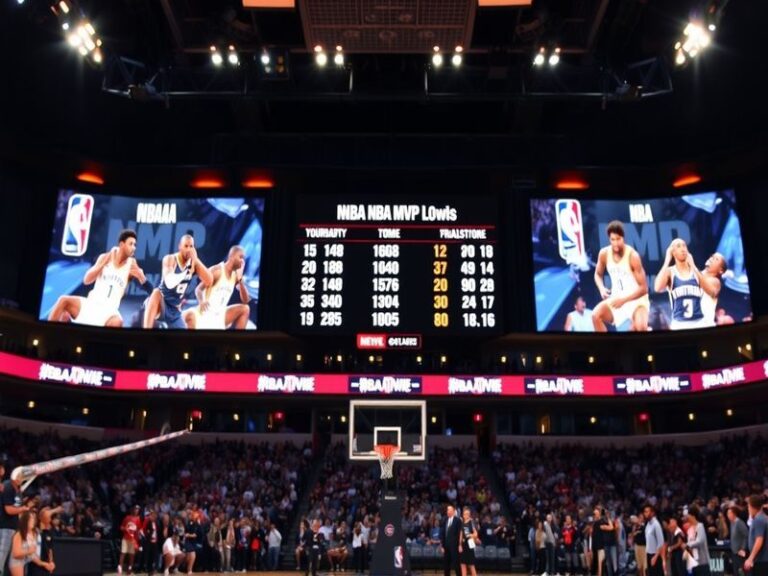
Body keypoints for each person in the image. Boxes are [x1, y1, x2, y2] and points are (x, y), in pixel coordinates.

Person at [48, 229, 149, 327]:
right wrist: (102, 264)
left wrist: (141, 275)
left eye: (135, 245)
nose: (134, 248)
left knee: (118, 322)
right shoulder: (104, 257)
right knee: (63, 300)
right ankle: (49, 335)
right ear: (122, 244)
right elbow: (86, 280)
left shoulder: (132, 264)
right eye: (131, 244)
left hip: (109, 311)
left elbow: (145, 285)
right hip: (91, 304)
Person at [143, 234, 213, 329]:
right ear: (179, 246)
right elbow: (169, 282)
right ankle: (145, 335)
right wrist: (187, 272)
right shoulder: (170, 259)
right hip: (161, 303)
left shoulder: (193, 263)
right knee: (156, 292)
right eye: (186, 246)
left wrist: (196, 260)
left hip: (175, 310)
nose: (189, 249)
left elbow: (209, 280)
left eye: (191, 246)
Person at [592, 221, 649, 332]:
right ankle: (606, 349)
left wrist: (623, 301)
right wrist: (602, 288)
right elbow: (598, 274)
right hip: (617, 299)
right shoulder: (604, 253)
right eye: (613, 239)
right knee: (595, 315)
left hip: (636, 301)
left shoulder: (633, 256)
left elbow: (644, 289)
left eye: (618, 239)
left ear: (623, 238)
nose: (616, 243)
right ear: (609, 239)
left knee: (641, 327)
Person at [183, 245, 251, 330]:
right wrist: (202, 301)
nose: (242, 261)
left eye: (243, 258)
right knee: (185, 316)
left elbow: (246, 300)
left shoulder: (236, 276)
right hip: (206, 314)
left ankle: (236, 342)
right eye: (240, 257)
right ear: (232, 256)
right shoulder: (217, 271)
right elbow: (198, 289)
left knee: (245, 309)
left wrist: (240, 279)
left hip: (220, 316)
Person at [655, 239, 709, 330]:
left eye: (684, 245)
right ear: (673, 252)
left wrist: (694, 266)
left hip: (699, 323)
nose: (683, 249)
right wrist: (667, 261)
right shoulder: (670, 272)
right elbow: (657, 288)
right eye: (678, 246)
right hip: (679, 325)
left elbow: (709, 290)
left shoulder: (696, 272)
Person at [1, 463, 31, 576]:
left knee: (13, 561)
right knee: (1, 558)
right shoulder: (8, 486)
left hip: (13, 528)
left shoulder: (17, 490)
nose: (21, 478)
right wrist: (23, 508)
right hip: (5, 527)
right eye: (19, 476)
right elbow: (8, 509)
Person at [9, 512, 54, 576]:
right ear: (25, 521)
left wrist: (45, 564)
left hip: (28, 559)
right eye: (31, 519)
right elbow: (15, 553)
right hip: (17, 561)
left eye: (33, 519)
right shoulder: (19, 534)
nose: (33, 521)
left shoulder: (35, 533)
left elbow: (33, 556)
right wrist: (28, 551)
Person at [28, 505, 59, 576]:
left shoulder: (49, 533)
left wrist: (51, 562)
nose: (49, 517)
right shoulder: (34, 531)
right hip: (34, 564)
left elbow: (50, 549)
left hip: (46, 566)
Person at [745, 495, 768, 576]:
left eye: (748, 506)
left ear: (752, 507)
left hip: (761, 560)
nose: (748, 509)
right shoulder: (764, 518)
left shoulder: (759, 520)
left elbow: (759, 540)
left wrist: (750, 558)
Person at [686, 506, 711, 576]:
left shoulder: (700, 526)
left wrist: (688, 544)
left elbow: (700, 540)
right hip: (693, 561)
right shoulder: (689, 529)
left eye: (688, 515)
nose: (687, 517)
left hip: (703, 561)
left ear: (693, 516)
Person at [643, 505, 665, 576]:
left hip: (655, 555)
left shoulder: (656, 524)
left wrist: (655, 557)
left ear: (652, 513)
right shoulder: (648, 524)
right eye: (644, 512)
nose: (645, 514)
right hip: (649, 554)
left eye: (647, 512)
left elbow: (661, 542)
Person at [458, 507, 480, 576]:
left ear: (469, 515)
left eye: (468, 514)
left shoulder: (471, 522)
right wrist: (460, 545)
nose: (466, 515)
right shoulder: (461, 523)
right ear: (463, 515)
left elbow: (476, 534)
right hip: (463, 545)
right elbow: (461, 535)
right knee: (462, 564)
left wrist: (471, 535)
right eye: (465, 514)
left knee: (471, 565)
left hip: (470, 544)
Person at [441, 505, 462, 576]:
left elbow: (460, 534)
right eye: (447, 510)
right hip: (446, 546)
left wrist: (460, 544)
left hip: (455, 547)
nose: (447, 511)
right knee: (446, 566)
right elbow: (442, 533)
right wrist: (442, 546)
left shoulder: (458, 520)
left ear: (453, 511)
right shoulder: (444, 520)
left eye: (449, 510)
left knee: (457, 565)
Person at [727, 506, 748, 576]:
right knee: (736, 572)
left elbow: (746, 535)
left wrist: (742, 548)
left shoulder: (739, 523)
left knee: (741, 571)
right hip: (734, 551)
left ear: (734, 514)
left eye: (729, 513)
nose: (728, 515)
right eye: (727, 513)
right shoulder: (731, 523)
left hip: (740, 553)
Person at [143, 509, 160, 576]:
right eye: (152, 515)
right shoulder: (148, 522)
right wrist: (149, 535)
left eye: (155, 515)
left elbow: (157, 532)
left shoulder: (156, 523)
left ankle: (153, 569)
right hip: (149, 542)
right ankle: (149, 570)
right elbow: (146, 531)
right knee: (149, 556)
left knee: (154, 556)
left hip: (155, 542)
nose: (154, 516)